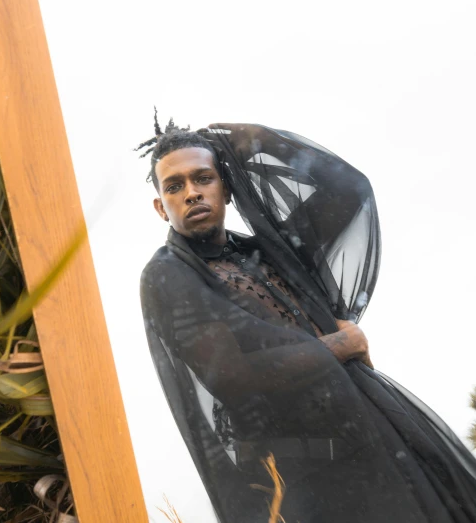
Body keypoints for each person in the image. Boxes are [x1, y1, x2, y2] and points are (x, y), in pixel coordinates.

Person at [138, 115, 476, 523]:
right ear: (161, 206)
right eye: (175, 186)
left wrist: (263, 143)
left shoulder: (267, 250)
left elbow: (350, 194)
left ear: (225, 188)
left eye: (203, 178)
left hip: (377, 429)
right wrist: (342, 345)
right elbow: (232, 375)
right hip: (308, 472)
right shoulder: (169, 274)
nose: (191, 193)